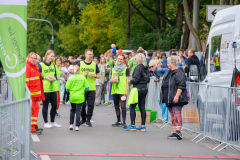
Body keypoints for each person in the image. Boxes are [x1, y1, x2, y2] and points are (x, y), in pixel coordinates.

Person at [160, 56, 188, 140]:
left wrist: (177, 96)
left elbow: (181, 85)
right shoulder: (169, 72)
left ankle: (178, 131)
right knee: (172, 113)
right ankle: (175, 131)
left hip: (176, 97)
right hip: (169, 97)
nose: (167, 65)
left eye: (168, 63)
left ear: (173, 63)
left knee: (176, 112)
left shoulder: (179, 72)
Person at [125, 53, 150, 131]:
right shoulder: (146, 68)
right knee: (142, 107)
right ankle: (143, 126)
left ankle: (133, 125)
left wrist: (129, 82)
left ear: (137, 60)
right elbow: (148, 79)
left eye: (136, 59)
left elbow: (136, 79)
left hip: (137, 89)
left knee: (132, 106)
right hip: (144, 89)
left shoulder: (137, 68)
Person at [38, 50, 61, 128]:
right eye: (51, 56)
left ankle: (52, 122)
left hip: (53, 88)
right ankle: (45, 123)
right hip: (45, 88)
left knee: (54, 105)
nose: (52, 58)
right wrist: (45, 78)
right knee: (45, 105)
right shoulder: (40, 65)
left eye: (53, 56)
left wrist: (54, 78)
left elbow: (55, 75)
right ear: (46, 55)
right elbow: (38, 76)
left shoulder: (53, 65)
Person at [80, 49, 100, 127]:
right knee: (83, 105)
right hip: (82, 88)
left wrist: (94, 75)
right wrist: (83, 75)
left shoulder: (94, 64)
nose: (91, 56)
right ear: (85, 55)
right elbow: (76, 75)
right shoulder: (80, 63)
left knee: (91, 105)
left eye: (92, 54)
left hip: (91, 87)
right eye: (89, 54)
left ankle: (88, 120)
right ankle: (83, 119)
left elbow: (98, 75)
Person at [66, 65, 89, 131]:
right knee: (78, 111)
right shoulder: (83, 78)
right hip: (80, 96)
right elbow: (87, 88)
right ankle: (77, 126)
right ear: (79, 71)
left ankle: (71, 124)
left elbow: (67, 89)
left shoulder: (70, 78)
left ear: (73, 71)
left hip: (72, 96)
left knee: (72, 110)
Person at [26, 52, 45, 133]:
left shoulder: (35, 67)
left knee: (35, 108)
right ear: (28, 58)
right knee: (32, 110)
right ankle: (31, 127)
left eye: (35, 58)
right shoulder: (28, 66)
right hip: (31, 93)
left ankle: (33, 126)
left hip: (35, 93)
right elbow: (26, 81)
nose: (33, 59)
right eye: (32, 58)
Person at [110, 54, 129, 128]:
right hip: (115, 90)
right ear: (116, 59)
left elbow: (128, 80)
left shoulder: (126, 69)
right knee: (116, 106)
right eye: (118, 59)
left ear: (123, 60)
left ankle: (124, 122)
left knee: (123, 106)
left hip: (122, 90)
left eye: (121, 59)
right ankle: (118, 121)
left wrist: (127, 90)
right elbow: (111, 79)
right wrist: (112, 80)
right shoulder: (113, 69)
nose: (119, 60)